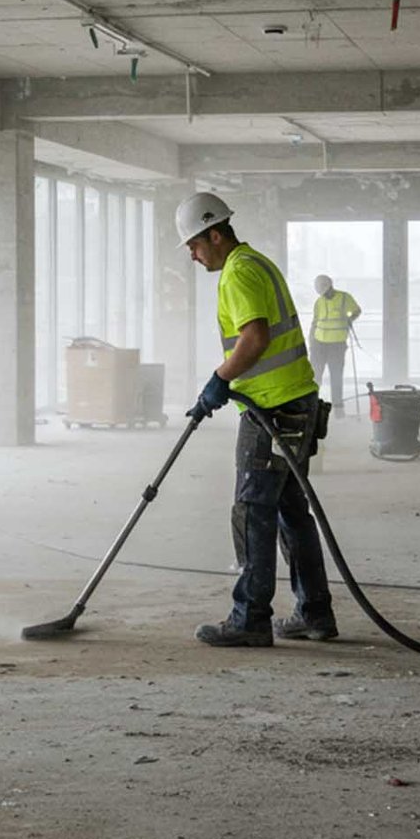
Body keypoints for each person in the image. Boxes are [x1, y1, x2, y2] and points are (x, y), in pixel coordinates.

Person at [177, 191, 337, 648]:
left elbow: (256, 337)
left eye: (194, 244)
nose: (192, 254)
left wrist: (220, 380)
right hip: (296, 404)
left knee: (253, 513)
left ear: (214, 233)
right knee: (292, 513)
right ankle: (315, 613)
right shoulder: (256, 262)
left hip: (272, 410)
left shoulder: (237, 272)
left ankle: (249, 617)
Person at [308, 274, 362, 417]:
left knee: (336, 376)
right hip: (319, 344)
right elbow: (315, 322)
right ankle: (311, 407)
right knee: (315, 376)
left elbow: (357, 311)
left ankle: (338, 409)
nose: (325, 293)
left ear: (331, 285)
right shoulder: (318, 302)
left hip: (337, 345)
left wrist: (349, 318)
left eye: (325, 289)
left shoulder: (344, 298)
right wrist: (311, 341)